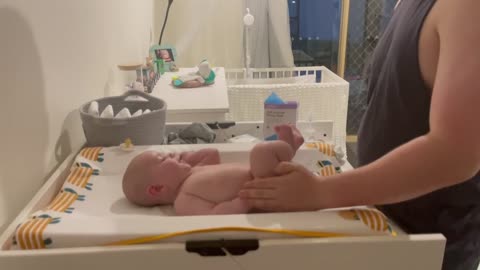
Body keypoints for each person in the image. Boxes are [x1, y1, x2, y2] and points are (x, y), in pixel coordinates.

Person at [239, 1, 480, 269]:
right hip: (384, 223)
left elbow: (457, 153)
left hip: (428, 247)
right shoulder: (409, 5)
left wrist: (321, 192)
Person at [122, 125, 304, 215]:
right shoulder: (183, 200)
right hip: (260, 189)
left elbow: (212, 153)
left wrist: (185, 159)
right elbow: (214, 214)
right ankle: (288, 148)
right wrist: (242, 203)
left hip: (260, 176)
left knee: (261, 154)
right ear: (157, 189)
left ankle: (286, 152)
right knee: (260, 152)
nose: (171, 154)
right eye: (163, 159)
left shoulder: (193, 171)